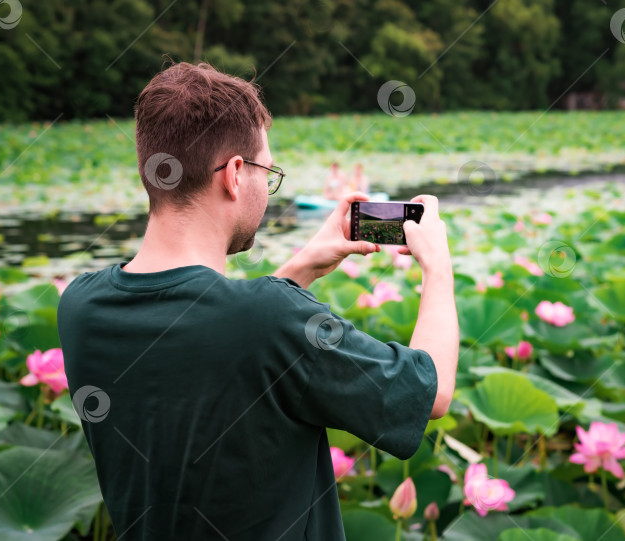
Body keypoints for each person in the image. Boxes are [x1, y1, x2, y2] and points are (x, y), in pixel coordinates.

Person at [57, 62, 458, 541]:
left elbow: (212, 331)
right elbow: (428, 392)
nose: (267, 190)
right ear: (234, 175)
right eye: (268, 173)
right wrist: (437, 265)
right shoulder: (271, 318)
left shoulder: (81, 306)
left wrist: (302, 267)